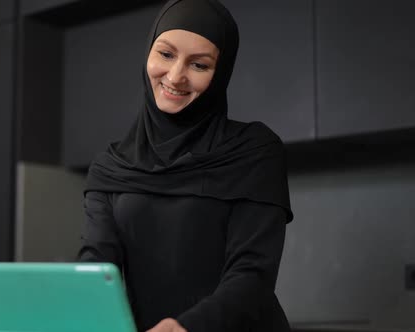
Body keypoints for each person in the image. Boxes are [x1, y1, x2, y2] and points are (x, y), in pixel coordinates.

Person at [77, 0, 294, 331]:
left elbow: (253, 274)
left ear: (220, 74)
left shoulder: (253, 151)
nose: (176, 77)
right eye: (165, 54)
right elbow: (96, 266)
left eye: (199, 65)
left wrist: (186, 327)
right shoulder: (112, 165)